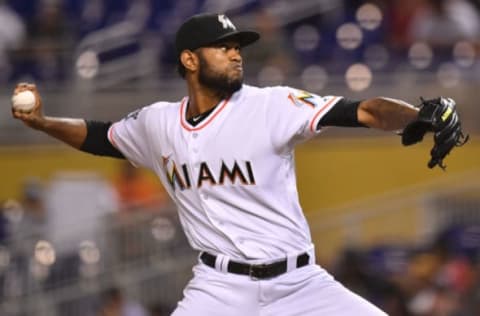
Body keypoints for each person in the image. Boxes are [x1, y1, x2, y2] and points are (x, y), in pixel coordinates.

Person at [11, 12, 466, 316]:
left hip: (300, 284)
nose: (235, 53)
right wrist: (45, 122)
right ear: (190, 60)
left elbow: (363, 111)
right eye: (221, 46)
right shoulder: (158, 123)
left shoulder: (271, 105)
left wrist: (420, 116)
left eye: (237, 46)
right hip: (220, 289)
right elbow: (99, 136)